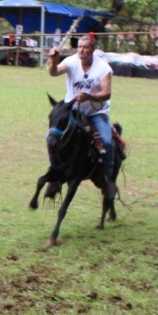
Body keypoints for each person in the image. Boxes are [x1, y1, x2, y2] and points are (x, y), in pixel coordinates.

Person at [47, 34, 117, 200]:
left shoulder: (103, 67)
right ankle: (55, 176)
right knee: (52, 137)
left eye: (85, 47)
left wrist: (89, 96)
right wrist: (54, 61)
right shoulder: (71, 61)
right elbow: (54, 72)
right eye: (79, 47)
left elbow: (107, 93)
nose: (81, 50)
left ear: (93, 49)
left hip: (95, 113)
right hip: (72, 111)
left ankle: (108, 179)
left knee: (107, 142)